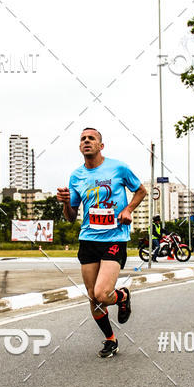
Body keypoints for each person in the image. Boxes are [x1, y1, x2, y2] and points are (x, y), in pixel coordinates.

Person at [57, 128, 147, 358]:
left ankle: (122, 296)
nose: (86, 141)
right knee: (92, 297)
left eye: (91, 138)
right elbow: (71, 216)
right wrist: (66, 203)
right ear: (80, 147)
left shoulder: (118, 168)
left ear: (100, 145)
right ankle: (110, 339)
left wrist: (128, 209)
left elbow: (141, 190)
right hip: (88, 239)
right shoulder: (76, 176)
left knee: (101, 293)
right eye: (82, 139)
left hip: (114, 238)